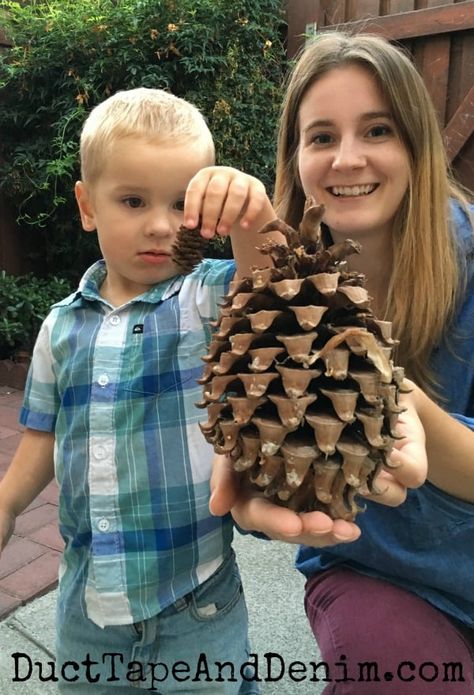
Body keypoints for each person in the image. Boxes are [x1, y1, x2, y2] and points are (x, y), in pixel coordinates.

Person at [209, 32, 474, 694]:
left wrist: (390, 396)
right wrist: (258, 455)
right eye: (321, 136)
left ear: (417, 143)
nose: (347, 158)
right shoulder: (274, 290)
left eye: (377, 129)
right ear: (295, 156)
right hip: (373, 573)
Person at [0, 87, 284, 693]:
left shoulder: (206, 297)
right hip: (88, 605)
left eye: (182, 203)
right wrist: (6, 504)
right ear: (87, 205)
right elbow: (42, 437)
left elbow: (271, 288)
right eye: (132, 200)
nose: (160, 226)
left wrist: (252, 213)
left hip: (199, 599)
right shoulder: (61, 326)